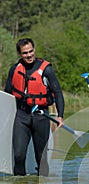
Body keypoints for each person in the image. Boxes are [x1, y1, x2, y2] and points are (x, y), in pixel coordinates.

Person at [5, 38, 64, 176]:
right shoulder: (14, 69)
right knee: (18, 156)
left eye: (31, 51)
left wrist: (60, 115)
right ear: (20, 54)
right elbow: (8, 94)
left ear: (34, 50)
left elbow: (58, 92)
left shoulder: (46, 70)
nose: (29, 55)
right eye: (25, 53)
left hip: (41, 116)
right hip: (21, 115)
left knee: (41, 158)